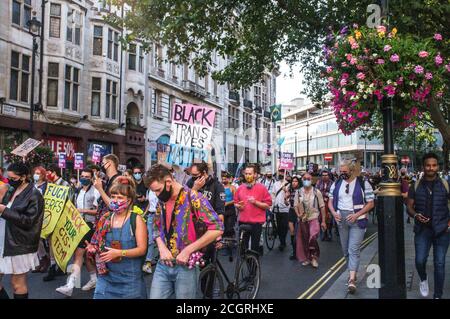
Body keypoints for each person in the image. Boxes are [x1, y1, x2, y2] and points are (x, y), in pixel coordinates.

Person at [145, 164, 223, 299]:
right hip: (163, 265)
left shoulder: (193, 197)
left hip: (186, 267)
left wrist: (188, 251)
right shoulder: (162, 199)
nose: (157, 195)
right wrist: (162, 248)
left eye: (157, 190)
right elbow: (156, 226)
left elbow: (217, 227)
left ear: (168, 182)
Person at [85, 176, 148, 299]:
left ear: (129, 200)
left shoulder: (136, 219)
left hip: (130, 282)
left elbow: (142, 249)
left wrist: (120, 253)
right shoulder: (106, 218)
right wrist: (93, 248)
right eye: (113, 196)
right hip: (106, 278)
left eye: (120, 197)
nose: (115, 200)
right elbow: (97, 242)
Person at [406, 153, 450, 299]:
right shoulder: (416, 185)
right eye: (428, 165)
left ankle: (437, 295)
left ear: (437, 166)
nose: (431, 168)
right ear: (423, 167)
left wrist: (449, 223)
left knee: (440, 263)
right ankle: (423, 279)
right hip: (422, 230)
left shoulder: (445, 184)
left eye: (434, 165)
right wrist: (416, 215)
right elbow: (409, 206)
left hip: (442, 230)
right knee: (420, 260)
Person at [328, 159, 375, 294]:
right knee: (345, 251)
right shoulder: (337, 183)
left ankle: (352, 279)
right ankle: (352, 271)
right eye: (340, 171)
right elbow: (330, 202)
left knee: (353, 249)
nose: (342, 174)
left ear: (352, 171)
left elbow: (371, 203)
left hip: (358, 220)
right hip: (341, 220)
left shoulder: (363, 183)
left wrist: (356, 214)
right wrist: (333, 213)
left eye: (345, 172)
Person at [0, 163, 44, 299]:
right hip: (5, 240)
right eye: (8, 177)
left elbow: (28, 221)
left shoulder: (34, 195)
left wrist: (4, 211)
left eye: (13, 178)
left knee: (17, 283)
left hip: (19, 244)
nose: (9, 180)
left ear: (24, 177)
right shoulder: (12, 190)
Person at [56, 168, 100, 296]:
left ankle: (70, 285)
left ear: (91, 178)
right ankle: (94, 279)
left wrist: (84, 211)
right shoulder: (78, 190)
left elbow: (99, 211)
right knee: (87, 256)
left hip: (90, 226)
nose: (84, 178)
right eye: (83, 175)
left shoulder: (96, 191)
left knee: (78, 254)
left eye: (87, 176)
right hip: (78, 225)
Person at [43, 164, 73, 281]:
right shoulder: (50, 185)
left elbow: (70, 202)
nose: (46, 175)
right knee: (51, 243)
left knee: (60, 243)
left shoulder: (66, 185)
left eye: (48, 173)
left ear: (54, 172)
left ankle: (61, 266)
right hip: (51, 219)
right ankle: (53, 267)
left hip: (61, 218)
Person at [234, 164, 272, 255]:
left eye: (250, 174)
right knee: (242, 249)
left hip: (256, 223)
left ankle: (254, 267)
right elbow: (235, 202)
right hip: (243, 222)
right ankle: (243, 267)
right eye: (246, 174)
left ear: (255, 175)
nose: (247, 176)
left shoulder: (262, 188)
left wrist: (255, 202)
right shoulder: (240, 188)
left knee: (254, 249)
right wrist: (238, 206)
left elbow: (268, 205)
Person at [295, 173, 327, 268]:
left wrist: (323, 221)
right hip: (303, 219)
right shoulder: (298, 192)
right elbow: (295, 205)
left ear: (312, 180)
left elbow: (322, 207)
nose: (306, 180)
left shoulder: (317, 192)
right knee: (305, 240)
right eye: (304, 178)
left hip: (314, 218)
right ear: (302, 180)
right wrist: (298, 215)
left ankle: (314, 257)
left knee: (312, 237)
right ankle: (307, 258)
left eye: (308, 179)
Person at [31, 166, 50, 274]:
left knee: (42, 239)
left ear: (43, 175)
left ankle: (46, 259)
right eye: (35, 173)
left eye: (38, 173)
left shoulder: (47, 186)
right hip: (32, 215)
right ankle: (41, 259)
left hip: (43, 215)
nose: (36, 175)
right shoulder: (32, 185)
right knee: (35, 240)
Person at [94, 154, 122, 222]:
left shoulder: (118, 180)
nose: (102, 166)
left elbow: (114, 206)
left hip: (112, 222)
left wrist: (100, 189)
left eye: (103, 163)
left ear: (109, 163)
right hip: (103, 222)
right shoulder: (108, 181)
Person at [142, 188, 159, 274]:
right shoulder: (148, 190)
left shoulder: (160, 188)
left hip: (160, 215)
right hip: (151, 215)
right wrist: (144, 214)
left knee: (160, 238)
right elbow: (149, 204)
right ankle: (148, 262)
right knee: (150, 240)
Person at [272, 173, 290, 251]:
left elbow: (290, 195)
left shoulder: (288, 184)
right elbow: (273, 195)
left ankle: (283, 239)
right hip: (277, 207)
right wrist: (272, 205)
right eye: (280, 172)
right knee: (279, 226)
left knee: (285, 226)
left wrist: (286, 190)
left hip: (285, 208)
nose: (280, 174)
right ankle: (282, 242)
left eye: (282, 172)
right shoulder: (275, 184)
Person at [221, 171, 237, 262]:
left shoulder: (232, 188)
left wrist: (228, 203)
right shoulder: (220, 188)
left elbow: (236, 199)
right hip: (222, 210)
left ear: (229, 179)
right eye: (222, 178)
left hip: (230, 210)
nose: (224, 180)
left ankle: (230, 246)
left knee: (229, 228)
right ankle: (225, 245)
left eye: (225, 178)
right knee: (223, 228)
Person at [316, 170, 333, 241]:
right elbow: (316, 191)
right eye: (323, 175)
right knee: (321, 219)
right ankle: (323, 233)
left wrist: (326, 195)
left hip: (329, 203)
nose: (324, 177)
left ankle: (329, 232)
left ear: (329, 176)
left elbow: (333, 193)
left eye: (326, 175)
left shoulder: (332, 183)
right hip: (320, 203)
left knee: (329, 219)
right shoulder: (319, 182)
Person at [287, 176, 301, 260]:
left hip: (299, 212)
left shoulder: (301, 191)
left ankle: (300, 251)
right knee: (292, 231)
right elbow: (286, 202)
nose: (294, 183)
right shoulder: (290, 190)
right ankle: (294, 251)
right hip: (291, 211)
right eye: (293, 181)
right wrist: (286, 199)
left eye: (296, 181)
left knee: (299, 233)